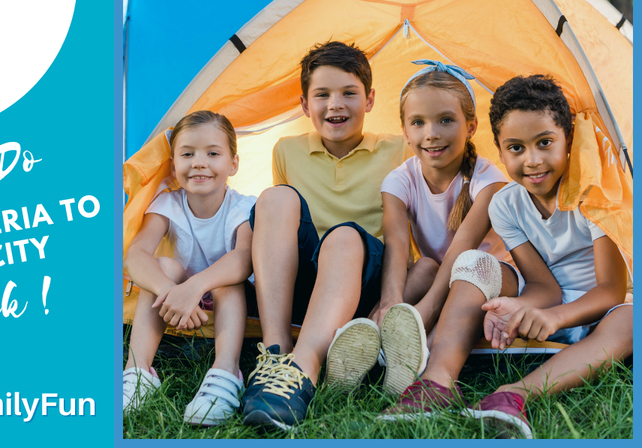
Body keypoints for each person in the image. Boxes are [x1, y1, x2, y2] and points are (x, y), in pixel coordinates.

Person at [382, 75, 633, 439]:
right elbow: (542, 284)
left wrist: (553, 316)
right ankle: (436, 382)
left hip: (600, 310)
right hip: (545, 307)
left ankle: (511, 395)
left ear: (568, 141)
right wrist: (517, 308)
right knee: (473, 262)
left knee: (633, 319)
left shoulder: (592, 195)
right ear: (499, 151)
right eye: (516, 148)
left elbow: (610, 289)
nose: (532, 161)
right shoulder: (506, 203)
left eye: (544, 143)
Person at [241, 41, 408, 429]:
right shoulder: (286, 150)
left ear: (369, 100)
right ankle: (275, 354)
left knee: (345, 236)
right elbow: (282, 231)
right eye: (322, 95)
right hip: (306, 283)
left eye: (349, 93)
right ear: (304, 105)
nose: (335, 104)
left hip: (362, 279)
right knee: (276, 198)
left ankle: (303, 370)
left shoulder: (400, 149)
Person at [326, 60, 510, 396]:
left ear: (470, 126)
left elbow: (461, 251)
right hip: (438, 274)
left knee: (456, 278)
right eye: (418, 123)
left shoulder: (489, 182)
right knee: (424, 265)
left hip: (486, 280)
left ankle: (401, 347)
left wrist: (422, 312)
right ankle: (369, 336)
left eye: (445, 120)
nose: (431, 133)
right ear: (406, 131)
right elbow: (397, 244)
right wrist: (390, 304)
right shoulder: (400, 179)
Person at [122, 110, 256, 427]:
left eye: (212, 153)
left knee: (228, 279)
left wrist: (194, 289)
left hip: (229, 300)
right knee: (164, 265)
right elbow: (136, 255)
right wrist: (173, 292)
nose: (198, 162)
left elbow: (244, 258)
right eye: (187, 154)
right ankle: (136, 374)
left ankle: (225, 374)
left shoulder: (244, 206)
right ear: (173, 165)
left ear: (233, 164)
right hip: (179, 300)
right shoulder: (167, 204)